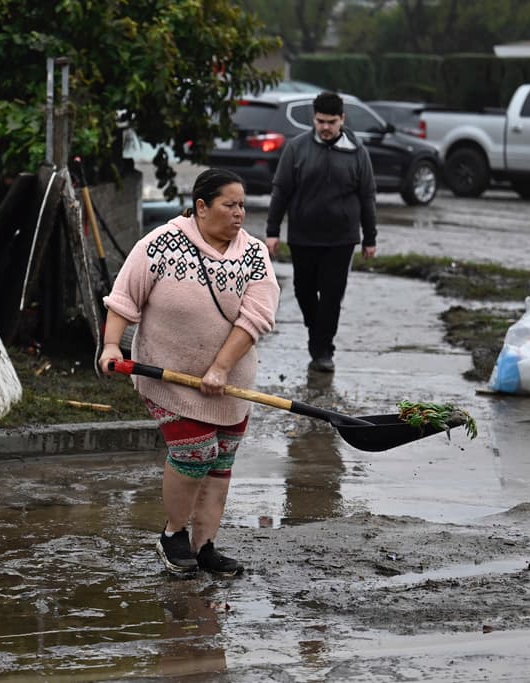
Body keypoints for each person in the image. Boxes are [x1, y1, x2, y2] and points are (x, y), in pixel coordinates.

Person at [99, 168, 280, 576]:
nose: (239, 214)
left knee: (221, 461)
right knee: (194, 453)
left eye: (242, 205)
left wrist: (220, 369)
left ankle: (205, 546)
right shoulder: (160, 244)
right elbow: (124, 297)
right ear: (201, 207)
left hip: (231, 383)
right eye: (229, 205)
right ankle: (173, 534)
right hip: (170, 378)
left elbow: (256, 318)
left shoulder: (253, 253)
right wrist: (112, 345)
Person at [264, 91, 377, 373]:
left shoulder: (357, 151)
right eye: (320, 121)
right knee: (304, 291)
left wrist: (370, 237)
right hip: (303, 236)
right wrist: (273, 230)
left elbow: (367, 196)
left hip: (342, 238)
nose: (325, 128)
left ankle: (323, 349)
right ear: (313, 119)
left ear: (342, 119)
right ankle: (317, 332)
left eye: (331, 122)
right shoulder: (296, 148)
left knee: (331, 295)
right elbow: (281, 190)